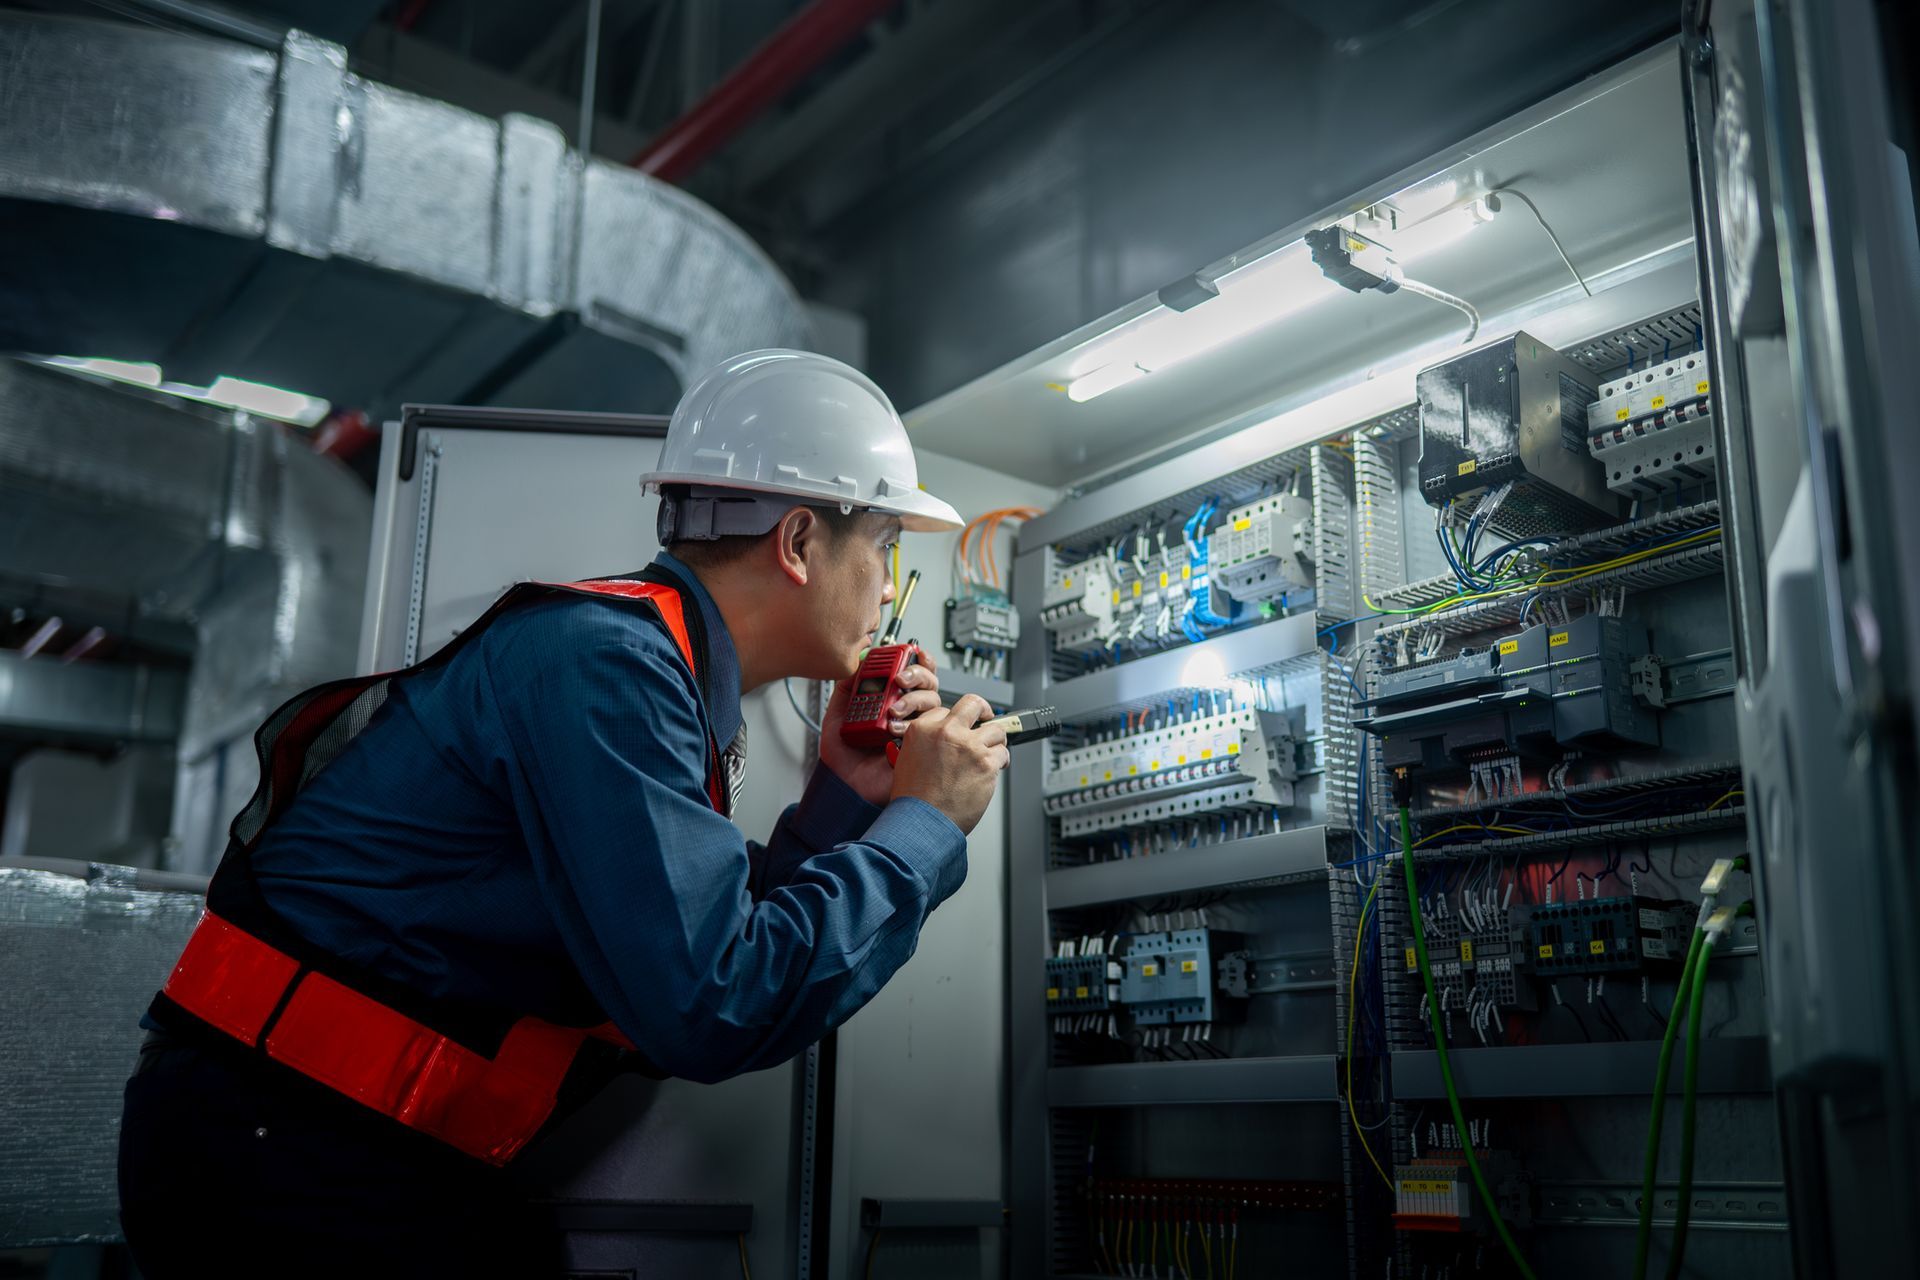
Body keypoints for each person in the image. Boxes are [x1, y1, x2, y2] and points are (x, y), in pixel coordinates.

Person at [117, 350, 1008, 1277]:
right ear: (797, 542)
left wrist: (842, 804)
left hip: (328, 1141)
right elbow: (712, 1003)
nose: (888, 582)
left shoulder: (646, 670)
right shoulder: (612, 665)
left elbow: (681, 948)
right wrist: (925, 825)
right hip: (284, 1149)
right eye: (884, 545)